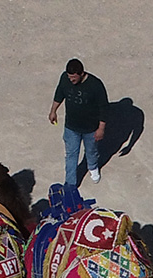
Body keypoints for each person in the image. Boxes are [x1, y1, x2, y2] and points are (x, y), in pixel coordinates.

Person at [48, 58, 109, 186]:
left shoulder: (95, 85)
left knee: (91, 152)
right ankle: (70, 183)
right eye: (69, 77)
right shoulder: (65, 78)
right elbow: (60, 93)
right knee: (71, 155)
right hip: (71, 127)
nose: (71, 80)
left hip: (90, 128)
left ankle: (92, 167)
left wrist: (101, 128)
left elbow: (104, 108)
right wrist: (53, 110)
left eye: (74, 78)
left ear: (81, 74)